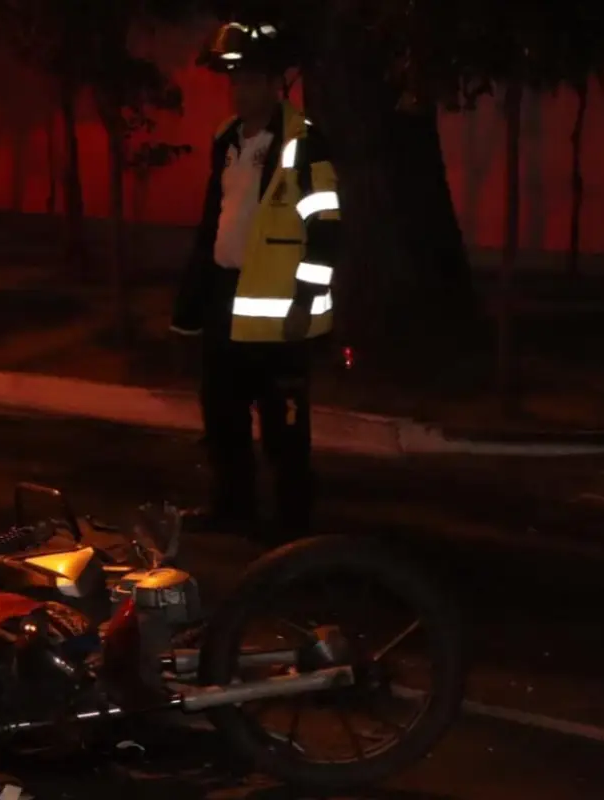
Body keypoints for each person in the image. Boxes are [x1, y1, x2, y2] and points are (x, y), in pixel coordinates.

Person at [171, 20, 342, 540]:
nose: (239, 90)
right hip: (226, 299)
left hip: (278, 312)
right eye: (235, 80)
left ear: (274, 84)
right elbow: (213, 221)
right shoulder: (226, 139)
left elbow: (326, 230)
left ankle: (292, 526)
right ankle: (232, 507)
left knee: (284, 429)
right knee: (221, 417)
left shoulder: (304, 143)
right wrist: (193, 299)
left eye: (249, 80)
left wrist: (305, 303)